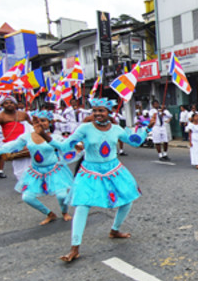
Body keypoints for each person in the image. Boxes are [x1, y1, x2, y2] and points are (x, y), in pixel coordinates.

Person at [54, 98, 149, 262]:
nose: (97, 114)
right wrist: (44, 135)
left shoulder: (117, 129)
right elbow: (65, 146)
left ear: (109, 112)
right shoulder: (85, 128)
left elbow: (135, 142)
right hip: (89, 171)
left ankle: (114, 230)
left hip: (114, 169)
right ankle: (74, 248)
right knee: (82, 206)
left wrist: (146, 127)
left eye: (101, 111)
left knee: (127, 201)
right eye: (95, 111)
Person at [0, 110, 74, 225]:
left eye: (44, 121)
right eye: (38, 121)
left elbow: (66, 146)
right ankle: (49, 214)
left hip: (54, 170)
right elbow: (13, 145)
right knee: (27, 198)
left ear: (50, 122)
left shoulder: (54, 137)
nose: (40, 123)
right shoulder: (27, 137)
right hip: (36, 171)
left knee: (62, 196)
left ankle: (64, 212)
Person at [0, 95, 33, 180]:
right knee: (19, 167)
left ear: (15, 104)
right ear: (2, 105)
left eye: (11, 102)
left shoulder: (23, 114)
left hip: (27, 143)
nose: (9, 104)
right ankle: (24, 185)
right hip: (13, 145)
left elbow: (32, 126)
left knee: (32, 164)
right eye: (6, 103)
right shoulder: (0, 117)